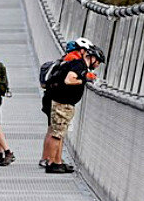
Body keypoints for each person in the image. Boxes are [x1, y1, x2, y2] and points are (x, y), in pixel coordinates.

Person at [40, 43, 104, 175]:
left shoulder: (78, 64)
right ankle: (51, 163)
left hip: (63, 102)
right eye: (98, 62)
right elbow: (69, 80)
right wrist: (84, 80)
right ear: (93, 58)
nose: (98, 66)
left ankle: (58, 162)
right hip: (63, 103)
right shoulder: (80, 66)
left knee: (59, 133)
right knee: (57, 134)